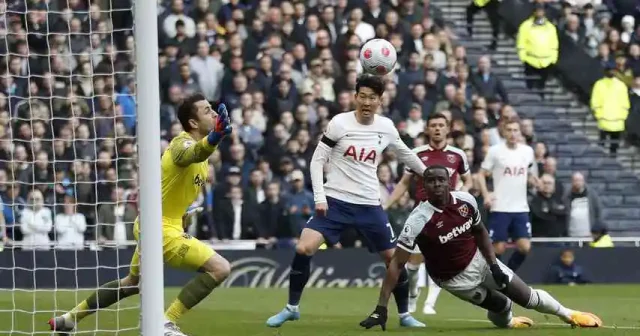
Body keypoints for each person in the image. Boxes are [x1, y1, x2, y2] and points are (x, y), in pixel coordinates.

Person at [49, 94, 233, 336]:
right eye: (207, 110)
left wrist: (181, 214)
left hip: (156, 223)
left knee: (132, 283)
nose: (213, 113)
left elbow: (174, 185)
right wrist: (216, 137)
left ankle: (70, 318)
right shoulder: (182, 143)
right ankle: (166, 322)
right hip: (160, 228)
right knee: (220, 268)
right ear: (193, 123)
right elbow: (189, 154)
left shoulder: (204, 152)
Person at [266, 75, 427, 328]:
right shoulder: (339, 123)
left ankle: (405, 315)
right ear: (355, 97)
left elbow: (405, 154)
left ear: (379, 100)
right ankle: (291, 308)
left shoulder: (385, 127)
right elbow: (317, 160)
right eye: (362, 96)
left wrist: (427, 174)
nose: (366, 101)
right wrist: (319, 197)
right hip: (335, 202)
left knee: (394, 260)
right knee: (303, 249)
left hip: (369, 205)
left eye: (372, 97)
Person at [359, 166, 602, 331]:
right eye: (430, 181)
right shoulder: (417, 220)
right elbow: (397, 264)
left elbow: (480, 232)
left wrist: (494, 264)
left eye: (440, 180)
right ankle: (508, 323)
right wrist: (381, 307)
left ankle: (568, 314)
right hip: (453, 279)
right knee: (501, 307)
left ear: (449, 182)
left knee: (526, 297)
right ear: (424, 186)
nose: (436, 184)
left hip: (480, 260)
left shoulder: (465, 201)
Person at [383, 112, 472, 315]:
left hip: (448, 214)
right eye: (434, 125)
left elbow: (469, 180)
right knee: (413, 264)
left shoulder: (458, 154)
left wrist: (459, 196)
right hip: (422, 214)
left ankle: (429, 304)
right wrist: (386, 205)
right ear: (427, 129)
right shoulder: (417, 153)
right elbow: (405, 183)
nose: (438, 129)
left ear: (447, 128)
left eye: (441, 125)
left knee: (441, 261)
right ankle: (413, 294)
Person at [477, 118, 537, 271]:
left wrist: (533, 180)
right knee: (498, 248)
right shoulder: (495, 151)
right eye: (509, 130)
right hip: (500, 206)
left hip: (521, 207)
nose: (512, 133)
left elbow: (529, 173)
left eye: (515, 130)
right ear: (503, 132)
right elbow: (480, 175)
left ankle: (509, 275)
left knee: (525, 246)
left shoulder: (527, 151)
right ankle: (498, 277)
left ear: (520, 132)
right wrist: (486, 195)